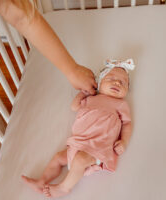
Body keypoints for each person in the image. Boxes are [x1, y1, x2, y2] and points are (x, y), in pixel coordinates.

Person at [21, 59, 135, 198]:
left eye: (123, 82)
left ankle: (64, 187)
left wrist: (124, 141)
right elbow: (74, 107)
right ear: (99, 83)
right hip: (79, 141)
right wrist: (83, 93)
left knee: (80, 160)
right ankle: (41, 181)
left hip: (98, 147)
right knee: (58, 158)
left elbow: (127, 124)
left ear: (127, 90)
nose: (117, 82)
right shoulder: (91, 98)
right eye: (111, 78)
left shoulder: (121, 104)